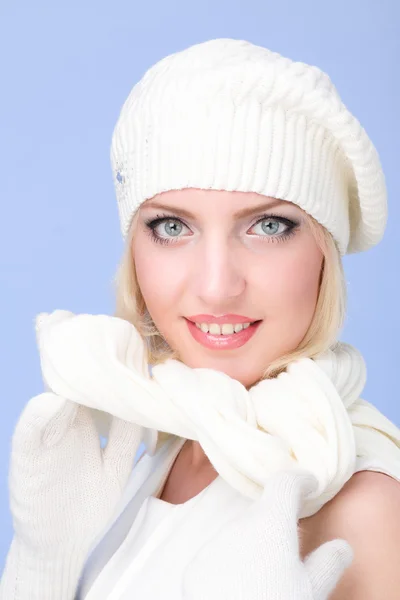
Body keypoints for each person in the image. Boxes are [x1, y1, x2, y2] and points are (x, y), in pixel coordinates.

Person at [1, 38, 400, 600]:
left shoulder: (359, 505)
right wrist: (43, 568)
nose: (216, 286)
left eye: (267, 227)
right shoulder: (176, 441)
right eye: (172, 227)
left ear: (323, 254)